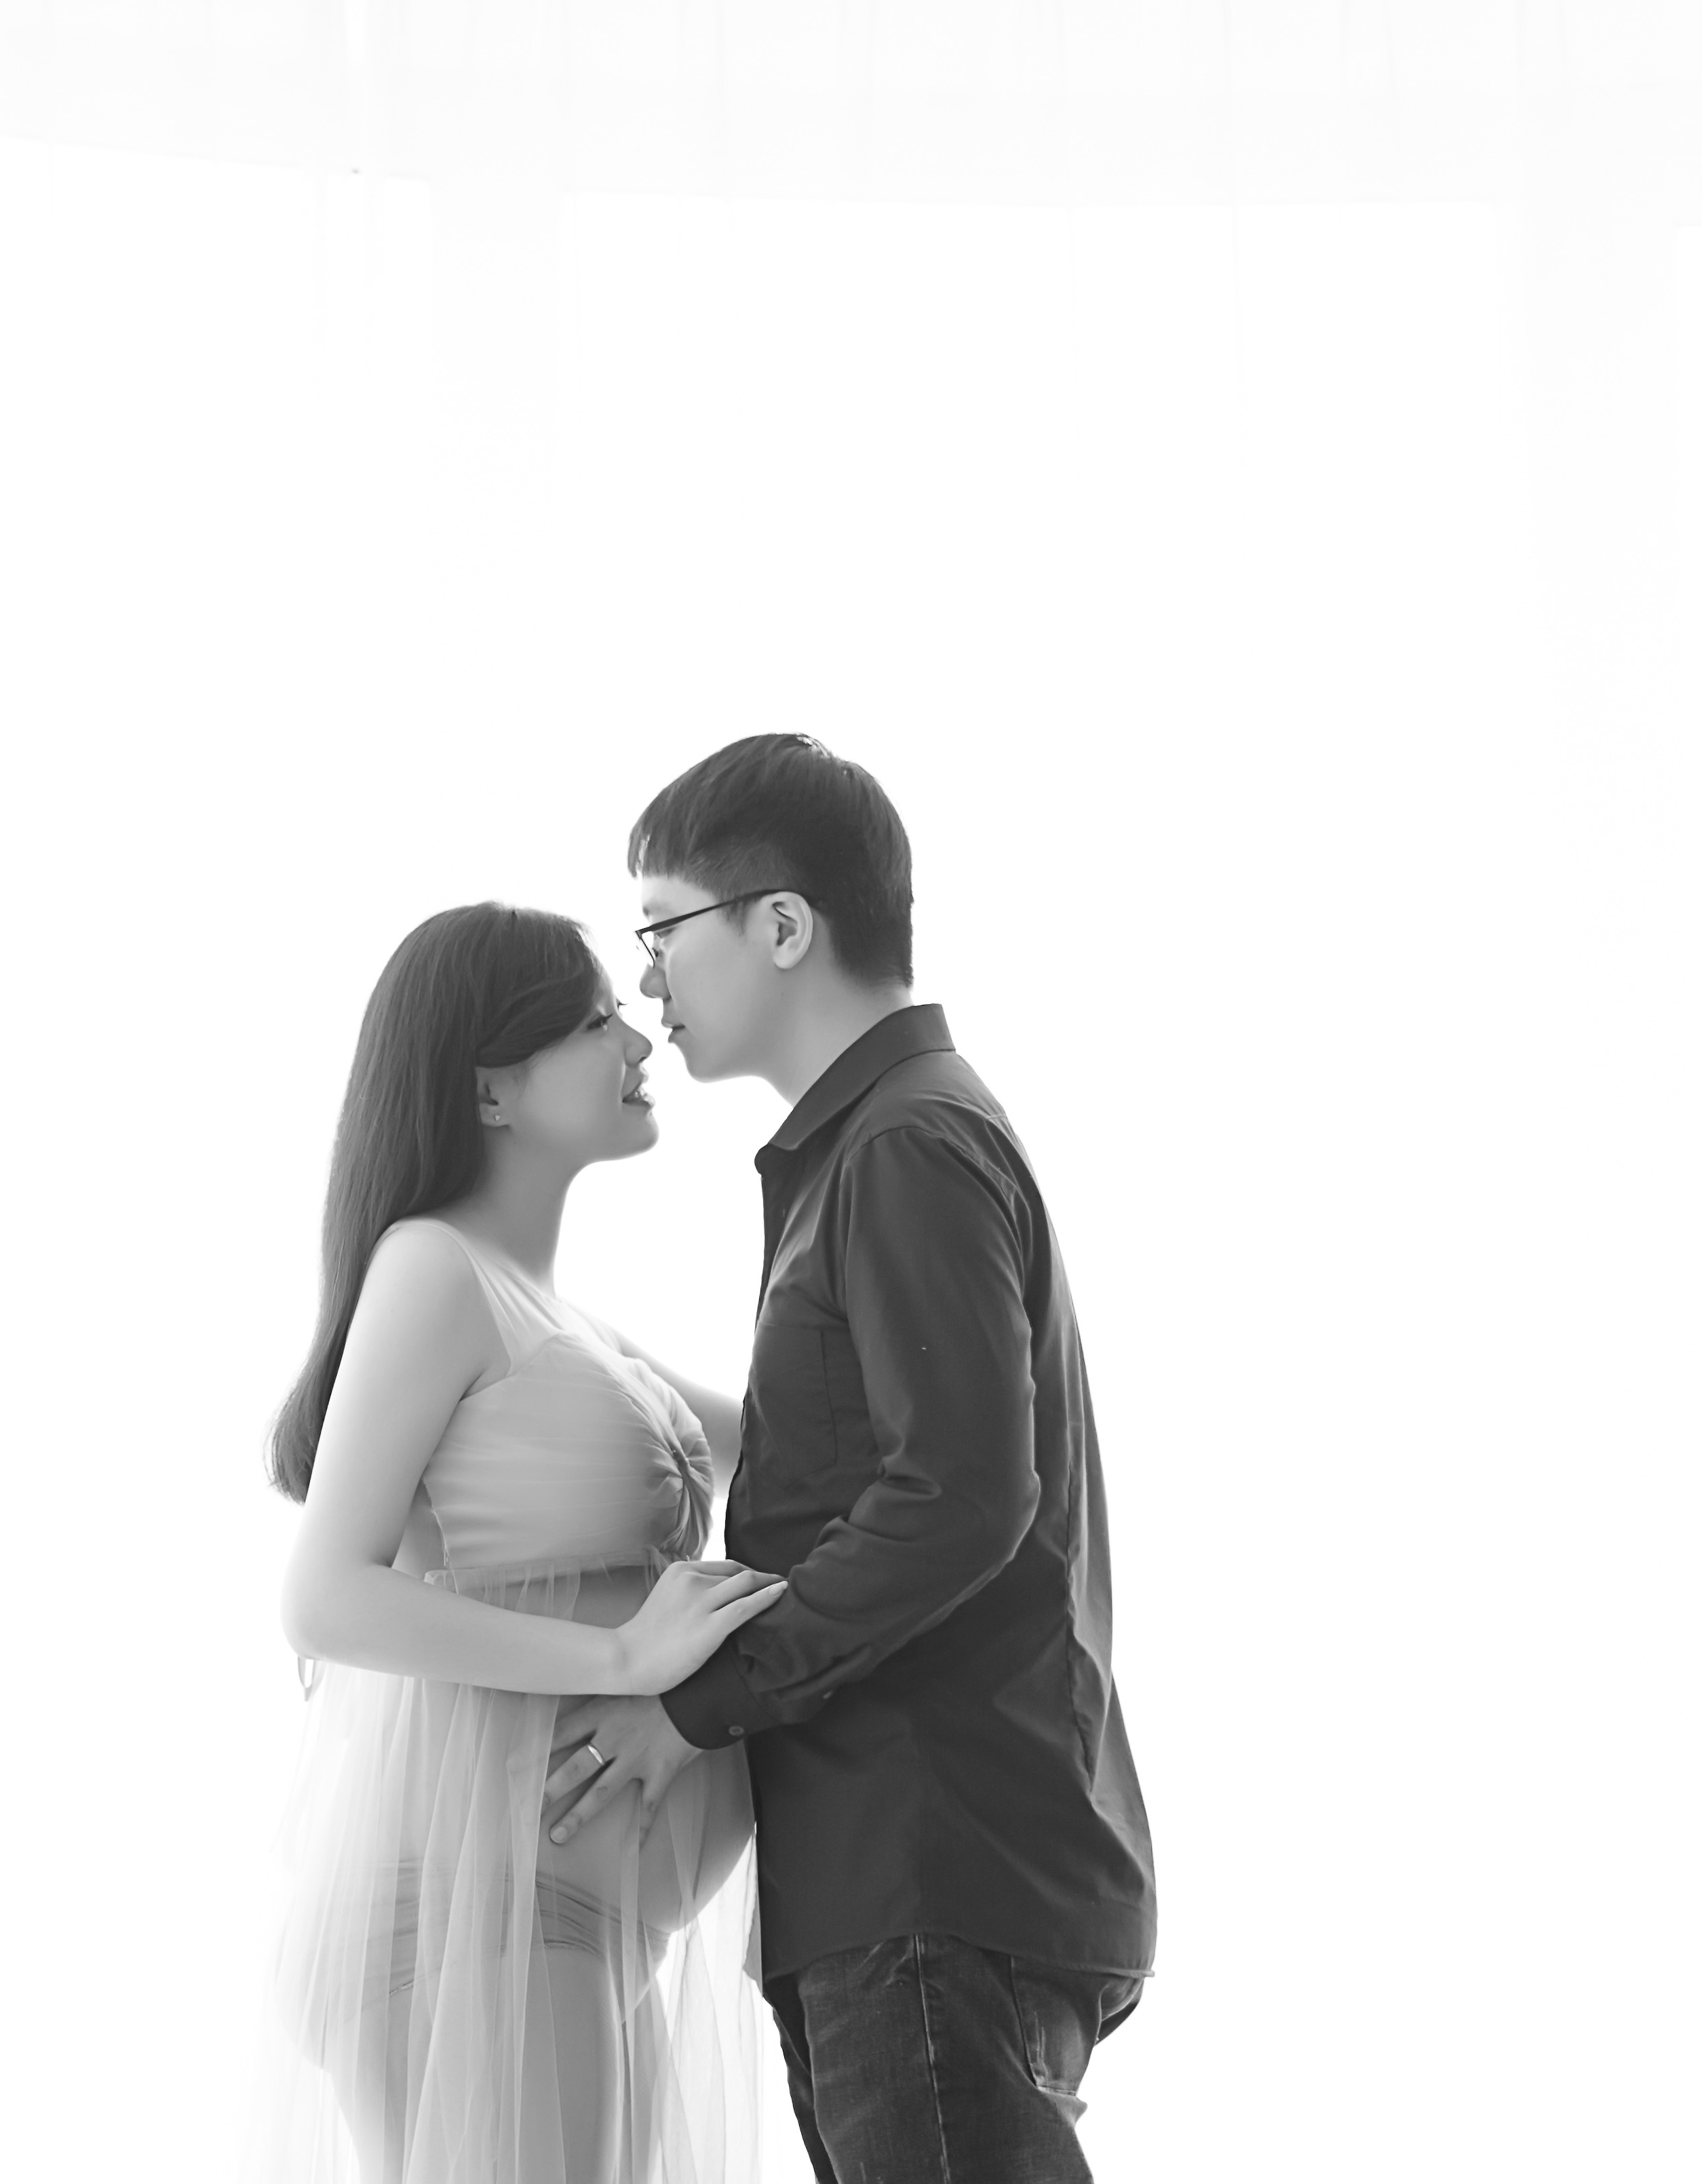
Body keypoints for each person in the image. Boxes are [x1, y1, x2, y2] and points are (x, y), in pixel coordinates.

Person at [541, 734, 1159, 2183]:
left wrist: (691, 1708)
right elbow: (866, 1461)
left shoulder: (903, 1145)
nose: (646, 981)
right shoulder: (889, 1139)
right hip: (906, 1872)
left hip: (930, 1865)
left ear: (781, 924)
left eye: (661, 927)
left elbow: (955, 1499)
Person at [260, 902, 789, 2184]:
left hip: (563, 1924)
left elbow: (793, 1443)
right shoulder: (432, 1269)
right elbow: (324, 1597)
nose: (639, 1039)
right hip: (464, 1912)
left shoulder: (559, 1319)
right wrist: (622, 1660)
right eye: (597, 1020)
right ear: (492, 1088)